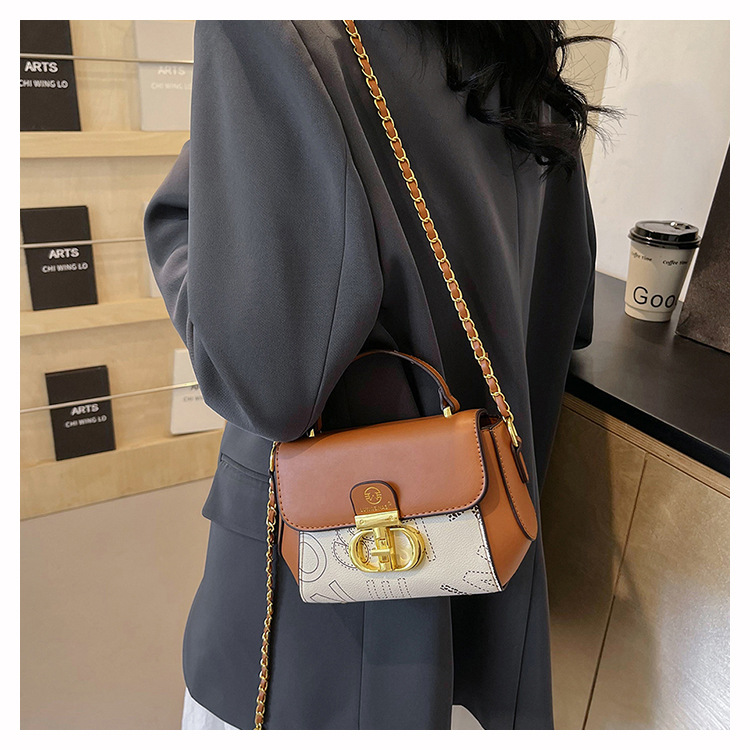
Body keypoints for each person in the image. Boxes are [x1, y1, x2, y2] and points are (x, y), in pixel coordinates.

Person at [144, 20, 615, 730]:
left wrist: (189, 242)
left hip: (327, 603)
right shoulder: (525, 70)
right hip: (487, 563)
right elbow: (567, 316)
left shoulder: (275, 28)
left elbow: (263, 382)